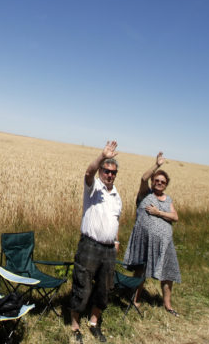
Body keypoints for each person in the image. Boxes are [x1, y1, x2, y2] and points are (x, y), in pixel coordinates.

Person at [70, 140, 122, 344]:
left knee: (104, 288)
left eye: (113, 172)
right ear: (101, 171)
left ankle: (93, 322)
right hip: (90, 245)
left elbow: (116, 220)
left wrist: (116, 242)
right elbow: (88, 172)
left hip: (109, 250)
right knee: (82, 284)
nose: (109, 175)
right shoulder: (93, 187)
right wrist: (102, 156)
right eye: (106, 171)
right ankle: (75, 325)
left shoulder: (116, 196)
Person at [124, 152, 181, 316]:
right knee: (140, 271)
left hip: (165, 243)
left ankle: (168, 305)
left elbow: (175, 217)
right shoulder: (145, 194)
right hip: (145, 241)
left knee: (167, 273)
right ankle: (135, 300)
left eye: (163, 182)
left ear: (166, 185)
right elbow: (143, 178)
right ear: (152, 181)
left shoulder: (168, 200)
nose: (159, 183)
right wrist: (157, 165)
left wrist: (158, 213)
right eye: (156, 180)